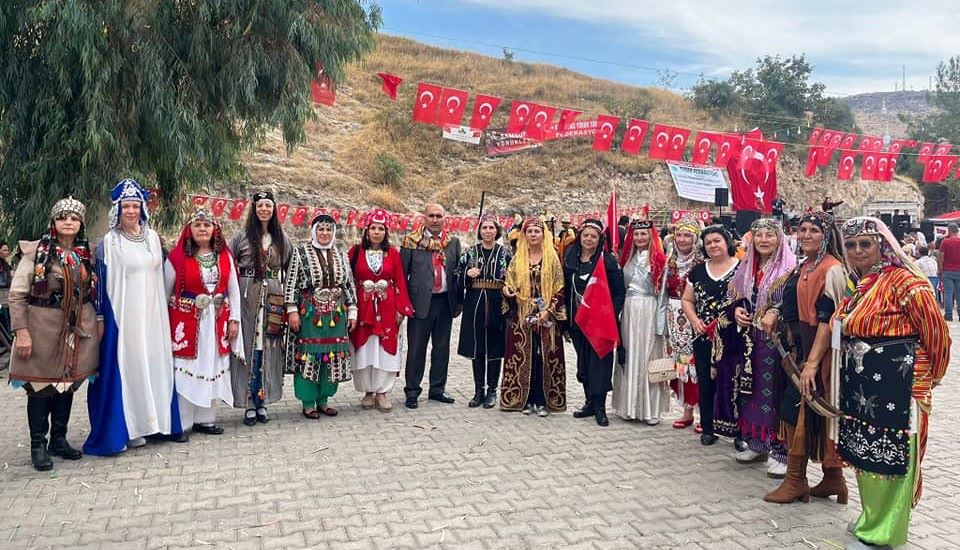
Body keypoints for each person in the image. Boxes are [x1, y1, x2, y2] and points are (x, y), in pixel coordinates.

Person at [834, 217, 950, 550]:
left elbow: (936, 332)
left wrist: (931, 375)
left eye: (865, 244)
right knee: (866, 451)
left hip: (900, 382)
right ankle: (871, 519)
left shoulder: (905, 281)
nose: (858, 251)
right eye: (852, 245)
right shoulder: (865, 283)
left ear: (882, 245)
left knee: (895, 453)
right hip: (864, 383)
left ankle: (886, 533)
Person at [85, 179, 185, 456]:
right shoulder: (110, 242)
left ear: (143, 208)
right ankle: (130, 428)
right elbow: (101, 285)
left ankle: (158, 423)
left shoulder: (153, 238)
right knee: (130, 367)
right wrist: (103, 318)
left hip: (154, 316)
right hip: (124, 316)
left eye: (135, 205)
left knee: (155, 363)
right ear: (117, 210)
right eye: (126, 206)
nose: (131, 211)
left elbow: (164, 276)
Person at [758, 211, 847, 504]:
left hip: (817, 351)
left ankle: (796, 480)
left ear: (826, 235)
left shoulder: (832, 269)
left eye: (813, 230)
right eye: (802, 229)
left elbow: (828, 318)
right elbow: (789, 303)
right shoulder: (806, 266)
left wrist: (812, 362)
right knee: (800, 409)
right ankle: (834, 479)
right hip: (798, 346)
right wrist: (774, 313)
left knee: (800, 409)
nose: (806, 234)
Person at [7, 198, 100, 470]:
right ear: (54, 222)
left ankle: (58, 439)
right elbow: (17, 295)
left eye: (74, 218)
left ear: (81, 223)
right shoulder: (36, 253)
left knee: (66, 383)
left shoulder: (88, 254)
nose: (68, 222)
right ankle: (38, 444)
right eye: (63, 218)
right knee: (40, 386)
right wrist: (21, 332)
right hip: (42, 326)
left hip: (77, 327)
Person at [164, 207, 242, 435]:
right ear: (189, 229)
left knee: (213, 365)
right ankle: (182, 423)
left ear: (214, 229)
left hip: (217, 322)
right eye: (197, 225)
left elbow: (233, 290)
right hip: (187, 323)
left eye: (206, 225)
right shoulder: (176, 258)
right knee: (187, 368)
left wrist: (234, 320)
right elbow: (164, 292)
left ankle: (206, 419)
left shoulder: (225, 256)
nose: (202, 229)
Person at [729, 218, 797, 478]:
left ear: (780, 239)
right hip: (750, 340)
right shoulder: (745, 267)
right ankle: (757, 442)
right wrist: (737, 311)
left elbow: (792, 302)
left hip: (777, 341)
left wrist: (774, 312)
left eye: (770, 235)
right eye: (759, 235)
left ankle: (781, 450)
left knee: (775, 393)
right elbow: (733, 297)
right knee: (751, 390)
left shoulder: (789, 268)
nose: (764, 240)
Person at [284, 213, 357, 418]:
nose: (325, 233)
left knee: (331, 357)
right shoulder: (301, 252)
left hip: (336, 314)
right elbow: (291, 282)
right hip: (310, 315)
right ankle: (308, 403)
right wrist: (292, 310)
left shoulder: (340, 253)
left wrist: (352, 310)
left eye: (329, 230)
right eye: (321, 229)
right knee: (310, 356)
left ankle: (324, 400)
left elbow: (348, 283)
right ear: (313, 231)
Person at [229, 191, 292, 426]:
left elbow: (291, 268)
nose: (264, 209)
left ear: (274, 209)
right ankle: (248, 402)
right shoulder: (241, 237)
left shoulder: (281, 238)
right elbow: (227, 264)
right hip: (247, 297)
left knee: (268, 347)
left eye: (268, 205)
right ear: (254, 209)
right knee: (248, 347)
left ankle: (263, 400)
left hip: (273, 297)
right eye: (260, 205)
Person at [349, 208, 414, 412]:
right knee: (365, 349)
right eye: (373, 228)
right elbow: (348, 281)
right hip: (363, 307)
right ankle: (367, 391)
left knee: (384, 348)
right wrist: (349, 308)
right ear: (366, 231)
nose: (377, 232)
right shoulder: (355, 252)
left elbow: (400, 281)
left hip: (386, 307)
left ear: (386, 231)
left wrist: (401, 308)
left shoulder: (393, 253)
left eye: (381, 228)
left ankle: (382, 391)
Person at [501, 217, 567, 416]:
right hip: (522, 315)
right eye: (529, 232)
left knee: (544, 356)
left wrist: (547, 311)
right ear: (525, 235)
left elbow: (560, 287)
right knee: (524, 356)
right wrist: (507, 291)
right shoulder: (518, 257)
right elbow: (509, 283)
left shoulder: (552, 257)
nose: (533, 235)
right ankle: (524, 399)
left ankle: (544, 400)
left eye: (537, 231)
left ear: (543, 234)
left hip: (546, 314)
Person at [681, 225, 740, 445]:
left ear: (727, 242)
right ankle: (708, 427)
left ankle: (738, 431)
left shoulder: (741, 269)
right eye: (708, 243)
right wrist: (695, 320)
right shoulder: (697, 271)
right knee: (706, 381)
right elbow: (688, 300)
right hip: (704, 336)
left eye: (717, 240)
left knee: (733, 382)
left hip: (733, 337)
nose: (713, 245)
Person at [563, 219, 624, 426]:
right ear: (580, 236)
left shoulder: (607, 262)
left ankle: (600, 407)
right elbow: (566, 290)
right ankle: (589, 402)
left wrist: (608, 315)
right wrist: (565, 323)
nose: (588, 239)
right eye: (585, 235)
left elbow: (618, 293)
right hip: (578, 321)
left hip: (600, 324)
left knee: (600, 365)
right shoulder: (571, 258)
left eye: (593, 236)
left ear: (600, 240)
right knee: (584, 365)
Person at [400, 203, 462, 409]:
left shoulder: (452, 242)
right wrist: (405, 305)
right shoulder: (411, 242)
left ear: (444, 218)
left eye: (439, 216)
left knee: (442, 348)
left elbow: (457, 273)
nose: (435, 219)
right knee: (417, 349)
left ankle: (437, 389)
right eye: (431, 216)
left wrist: (459, 300)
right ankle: (412, 391)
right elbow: (402, 276)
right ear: (424, 218)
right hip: (420, 304)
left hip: (445, 301)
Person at [613, 219, 670, 424]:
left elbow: (663, 294)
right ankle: (628, 406)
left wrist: (661, 325)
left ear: (650, 236)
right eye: (636, 234)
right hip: (629, 309)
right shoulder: (626, 258)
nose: (639, 238)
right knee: (629, 354)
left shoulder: (659, 259)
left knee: (648, 356)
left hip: (649, 308)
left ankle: (649, 409)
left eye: (643, 234)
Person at [456, 213, 511, 408]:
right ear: (479, 231)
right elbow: (456, 274)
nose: (488, 231)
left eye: (491, 228)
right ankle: (478, 390)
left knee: (494, 347)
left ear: (497, 231)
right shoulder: (470, 253)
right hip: (474, 302)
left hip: (496, 302)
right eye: (484, 227)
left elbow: (513, 278)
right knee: (477, 346)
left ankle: (492, 391)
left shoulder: (505, 254)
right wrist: (466, 273)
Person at [663, 213, 703, 430]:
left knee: (696, 363)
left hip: (692, 315)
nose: (682, 240)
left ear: (695, 239)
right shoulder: (670, 260)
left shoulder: (701, 263)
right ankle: (686, 409)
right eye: (679, 235)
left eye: (687, 236)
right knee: (680, 362)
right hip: (673, 314)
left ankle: (701, 411)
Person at [936, 222, 960, 320]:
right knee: (959, 293)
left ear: (949, 231)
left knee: (948, 293)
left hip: (947, 270)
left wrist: (939, 269)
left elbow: (941, 256)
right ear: (957, 231)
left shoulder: (945, 242)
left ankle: (949, 315)